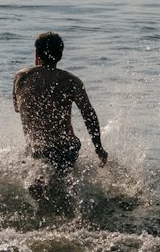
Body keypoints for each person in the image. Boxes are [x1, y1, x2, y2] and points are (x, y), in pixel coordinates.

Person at [13, 31, 107, 172]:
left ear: (37, 53)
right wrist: (98, 148)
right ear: (60, 55)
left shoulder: (21, 77)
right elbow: (88, 114)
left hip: (36, 147)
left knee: (38, 167)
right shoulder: (71, 81)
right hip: (65, 147)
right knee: (65, 177)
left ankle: (38, 182)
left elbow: (17, 108)